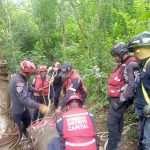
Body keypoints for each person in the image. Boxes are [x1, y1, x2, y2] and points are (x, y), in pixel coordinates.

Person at [106, 42, 140, 150]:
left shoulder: (131, 64)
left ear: (121, 54)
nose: (114, 58)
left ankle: (112, 146)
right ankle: (117, 142)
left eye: (115, 56)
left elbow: (132, 86)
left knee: (111, 122)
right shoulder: (124, 63)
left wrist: (120, 101)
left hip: (121, 99)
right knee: (118, 119)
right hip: (118, 98)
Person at [8, 60, 50, 139]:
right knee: (18, 130)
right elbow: (23, 99)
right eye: (31, 73)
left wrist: (36, 90)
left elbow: (27, 87)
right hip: (15, 110)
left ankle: (24, 131)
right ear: (26, 72)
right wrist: (40, 106)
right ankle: (19, 141)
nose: (32, 75)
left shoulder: (24, 79)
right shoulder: (18, 81)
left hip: (23, 108)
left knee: (28, 120)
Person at [128, 31, 150, 150]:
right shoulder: (144, 64)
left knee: (147, 143)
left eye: (137, 48)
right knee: (142, 141)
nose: (135, 52)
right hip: (144, 112)